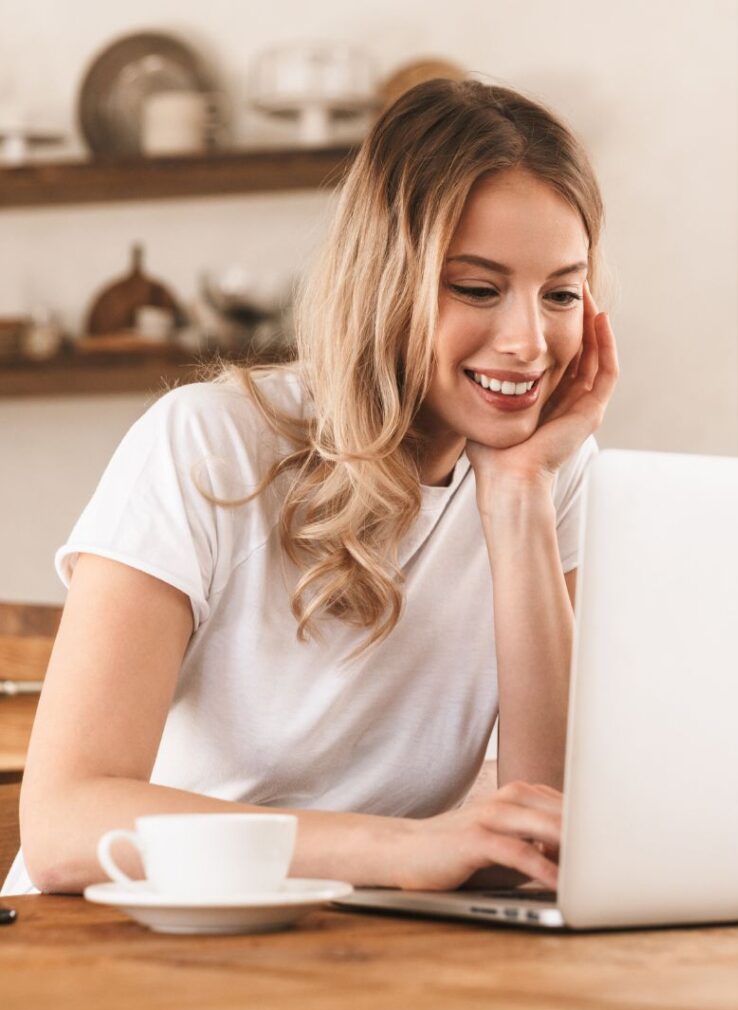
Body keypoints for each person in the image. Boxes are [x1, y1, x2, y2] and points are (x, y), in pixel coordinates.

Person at [3, 77, 618, 897]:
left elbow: (550, 836)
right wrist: (400, 850)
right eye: (477, 287)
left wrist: (516, 499)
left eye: (562, 294)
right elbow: (64, 827)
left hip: (348, 952)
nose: (528, 341)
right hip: (114, 946)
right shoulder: (208, 443)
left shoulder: (545, 473)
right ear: (386, 280)